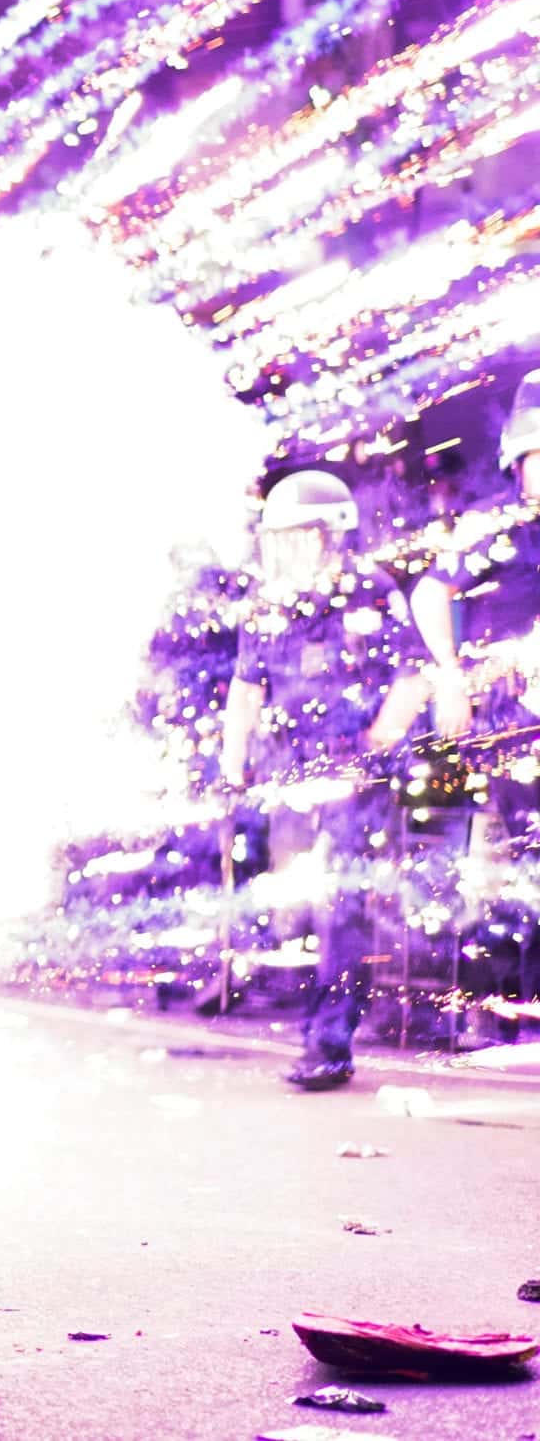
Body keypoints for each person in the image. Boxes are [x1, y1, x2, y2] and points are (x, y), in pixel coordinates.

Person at [218, 467, 423, 1091]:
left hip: (354, 780)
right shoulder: (268, 608)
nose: (285, 551)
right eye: (277, 539)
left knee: (342, 907)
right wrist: (234, 758)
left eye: (297, 537)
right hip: (291, 777)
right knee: (302, 902)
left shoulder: (370, 590)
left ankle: (330, 1044)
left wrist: (373, 747)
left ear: (330, 536)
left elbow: (410, 677)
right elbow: (246, 687)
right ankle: (314, 1015)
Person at [405, 369, 540, 859]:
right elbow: (429, 593)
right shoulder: (495, 524)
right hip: (515, 722)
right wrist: (451, 676)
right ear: (518, 461)